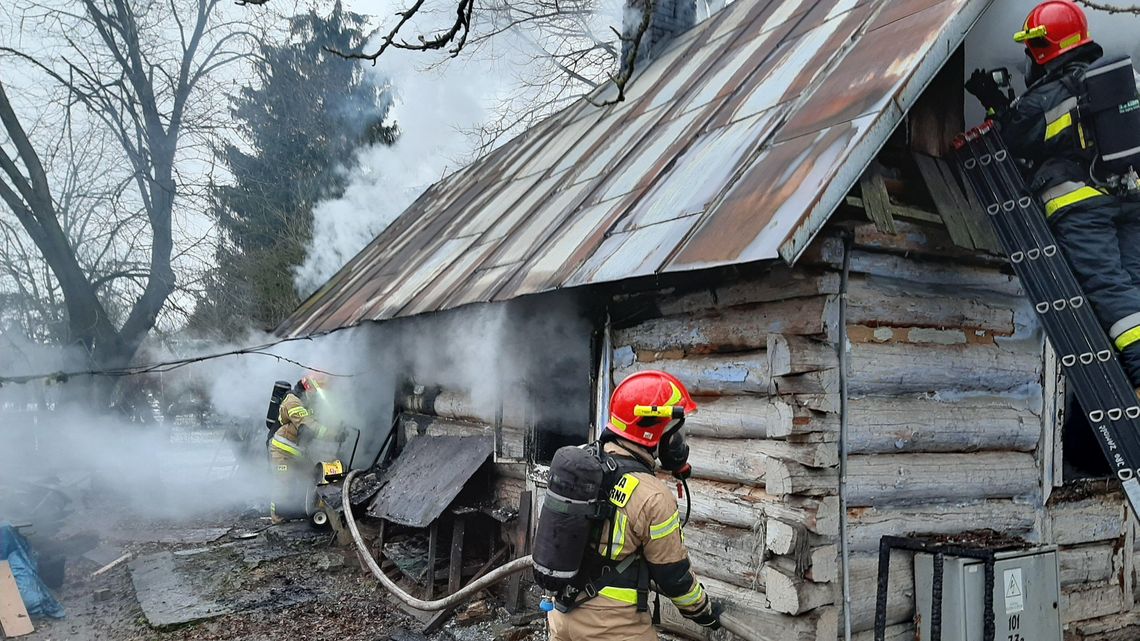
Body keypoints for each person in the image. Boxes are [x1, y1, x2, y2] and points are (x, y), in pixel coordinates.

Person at [965, 0, 1140, 398]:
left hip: (1081, 206)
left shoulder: (1053, 94)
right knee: (1133, 286)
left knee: (1107, 287)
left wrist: (996, 104)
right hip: (1130, 199)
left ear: (1045, 48)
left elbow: (1017, 137)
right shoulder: (1122, 80)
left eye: (1033, 48)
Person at [546, 371, 722, 641]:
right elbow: (675, 579)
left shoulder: (582, 465)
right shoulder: (653, 496)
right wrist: (704, 610)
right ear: (650, 429)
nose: (677, 441)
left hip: (561, 620)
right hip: (612, 630)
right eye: (673, 430)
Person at [268, 372, 341, 524]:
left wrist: (339, 428)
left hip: (298, 451)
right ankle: (277, 517)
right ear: (309, 388)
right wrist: (333, 435)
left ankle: (311, 508)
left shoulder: (308, 400)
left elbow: (319, 420)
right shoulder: (292, 402)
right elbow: (307, 426)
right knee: (283, 483)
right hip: (282, 450)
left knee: (313, 476)